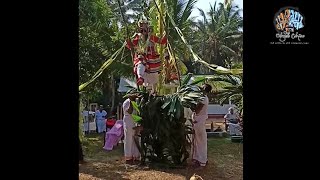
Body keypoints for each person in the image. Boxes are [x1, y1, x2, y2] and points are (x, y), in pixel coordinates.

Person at [126, 17, 167, 94]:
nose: (144, 27)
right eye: (142, 25)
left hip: (152, 58)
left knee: (154, 75)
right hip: (141, 56)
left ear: (148, 27)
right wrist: (128, 41)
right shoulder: (137, 37)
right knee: (140, 65)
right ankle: (140, 78)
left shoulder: (151, 37)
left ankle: (154, 91)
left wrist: (166, 34)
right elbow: (131, 45)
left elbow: (162, 41)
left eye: (145, 25)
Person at [191, 84, 212, 167]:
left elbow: (197, 110)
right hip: (198, 122)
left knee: (200, 142)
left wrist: (191, 106)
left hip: (199, 122)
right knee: (197, 141)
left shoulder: (203, 98)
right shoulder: (202, 98)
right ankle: (198, 159)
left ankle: (202, 160)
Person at [122, 94, 140, 165]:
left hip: (135, 120)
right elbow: (129, 111)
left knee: (136, 139)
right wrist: (131, 101)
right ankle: (128, 158)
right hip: (129, 120)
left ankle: (136, 156)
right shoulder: (127, 102)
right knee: (129, 139)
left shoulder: (137, 102)